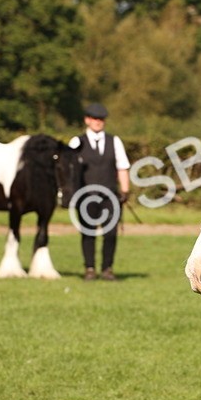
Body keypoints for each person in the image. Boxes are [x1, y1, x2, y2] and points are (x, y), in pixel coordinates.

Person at [68, 102, 130, 281]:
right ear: (87, 120)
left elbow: (122, 166)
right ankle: (89, 268)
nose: (98, 122)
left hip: (110, 195)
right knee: (88, 233)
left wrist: (125, 190)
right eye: (94, 118)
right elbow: (69, 169)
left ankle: (107, 269)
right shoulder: (76, 142)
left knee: (111, 233)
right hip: (85, 196)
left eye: (101, 119)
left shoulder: (114, 141)